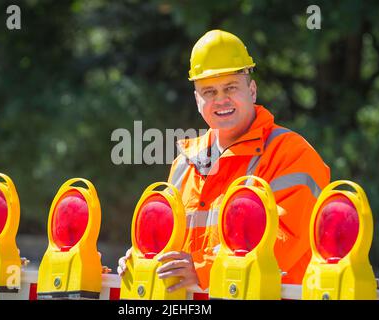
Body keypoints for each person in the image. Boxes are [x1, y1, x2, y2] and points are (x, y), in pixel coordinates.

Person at [118, 29, 330, 292]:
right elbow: (173, 246)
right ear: (197, 100)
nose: (221, 100)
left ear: (252, 90)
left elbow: (285, 241)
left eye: (230, 87)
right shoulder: (184, 165)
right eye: (209, 91)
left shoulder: (292, 154)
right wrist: (145, 258)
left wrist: (201, 268)